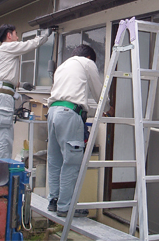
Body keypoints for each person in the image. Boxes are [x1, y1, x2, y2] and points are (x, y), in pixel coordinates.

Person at [46, 44, 113, 217]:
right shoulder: (86, 63)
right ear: (89, 57)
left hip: (53, 112)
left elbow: (73, 98)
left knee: (55, 159)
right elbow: (100, 92)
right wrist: (107, 107)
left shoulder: (63, 66)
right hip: (69, 115)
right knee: (72, 162)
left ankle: (54, 200)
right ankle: (65, 207)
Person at [0, 24, 49, 179]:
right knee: (4, 134)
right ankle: (2, 173)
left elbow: (3, 77)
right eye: (16, 34)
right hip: (3, 97)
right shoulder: (10, 47)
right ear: (9, 35)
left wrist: (21, 85)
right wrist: (45, 35)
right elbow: (30, 45)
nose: (17, 37)